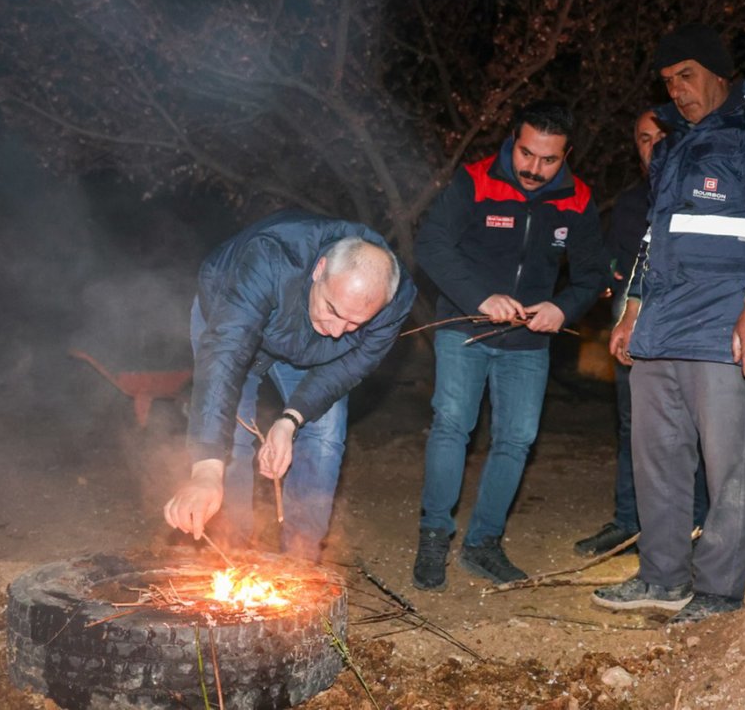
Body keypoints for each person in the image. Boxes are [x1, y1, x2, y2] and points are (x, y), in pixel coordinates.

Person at [593, 24, 745, 623]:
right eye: (668, 81)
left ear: (719, 72)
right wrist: (632, 308)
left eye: (687, 76)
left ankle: (718, 593)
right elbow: (653, 235)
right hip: (661, 328)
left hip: (726, 329)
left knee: (729, 470)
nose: (679, 91)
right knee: (657, 462)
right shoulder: (672, 145)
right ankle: (661, 577)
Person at [411, 100, 607, 590]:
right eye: (527, 154)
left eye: (549, 160)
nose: (534, 169)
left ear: (567, 155)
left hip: (529, 341)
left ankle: (483, 544)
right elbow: (431, 244)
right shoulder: (475, 180)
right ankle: (435, 535)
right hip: (465, 326)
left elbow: (591, 274)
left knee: (516, 439)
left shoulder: (578, 199)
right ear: (512, 141)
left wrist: (563, 307)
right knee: (453, 425)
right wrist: (480, 296)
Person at [163, 209, 416, 562]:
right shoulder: (270, 258)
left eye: (355, 323)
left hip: (307, 346)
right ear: (319, 270)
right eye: (332, 308)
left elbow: (350, 365)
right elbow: (225, 354)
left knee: (324, 437)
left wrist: (291, 419)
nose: (338, 329)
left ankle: (301, 563)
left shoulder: (394, 299)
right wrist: (205, 468)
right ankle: (230, 556)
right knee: (233, 440)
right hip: (234, 318)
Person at [573, 111, 709, 557]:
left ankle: (696, 525)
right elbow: (616, 259)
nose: (653, 147)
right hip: (634, 317)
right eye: (644, 139)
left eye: (662, 137)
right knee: (634, 424)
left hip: (690, 320)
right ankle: (629, 523)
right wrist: (606, 276)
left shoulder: (707, 190)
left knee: (695, 425)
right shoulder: (634, 201)